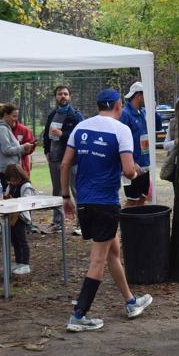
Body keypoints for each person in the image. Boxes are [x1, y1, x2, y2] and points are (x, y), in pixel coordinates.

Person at [62, 88, 152, 332]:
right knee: (98, 260)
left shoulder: (81, 127)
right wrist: (136, 170)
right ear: (117, 106)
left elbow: (65, 163)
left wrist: (65, 196)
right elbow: (128, 171)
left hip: (84, 202)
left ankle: (131, 302)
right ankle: (79, 315)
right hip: (105, 203)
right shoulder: (121, 130)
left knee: (113, 252)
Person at [43, 85, 85, 234]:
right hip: (54, 160)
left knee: (76, 191)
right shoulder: (52, 114)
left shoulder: (76, 115)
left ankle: (81, 224)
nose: (63, 96)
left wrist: (62, 134)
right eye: (60, 94)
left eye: (66, 94)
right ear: (56, 97)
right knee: (57, 191)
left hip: (72, 161)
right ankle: (57, 223)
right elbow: (46, 135)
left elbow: (81, 136)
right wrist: (46, 150)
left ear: (70, 97)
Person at [119, 81, 162, 207]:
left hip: (145, 163)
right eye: (147, 95)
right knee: (132, 199)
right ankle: (126, 224)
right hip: (133, 165)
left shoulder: (143, 112)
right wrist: (130, 162)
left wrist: (152, 110)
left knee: (143, 197)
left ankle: (137, 224)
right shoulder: (125, 114)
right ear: (139, 96)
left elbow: (157, 126)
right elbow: (121, 140)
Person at [3, 163, 36, 275]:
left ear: (20, 176)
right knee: (14, 241)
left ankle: (25, 264)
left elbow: (28, 201)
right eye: (10, 180)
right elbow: (7, 195)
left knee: (22, 240)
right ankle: (18, 262)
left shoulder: (26, 186)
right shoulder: (10, 186)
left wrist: (13, 200)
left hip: (21, 216)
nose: (13, 182)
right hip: (12, 217)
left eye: (15, 180)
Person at [0, 103, 34, 192]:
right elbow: (6, 150)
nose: (16, 119)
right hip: (4, 172)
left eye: (17, 116)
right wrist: (23, 147)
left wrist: (24, 149)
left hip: (9, 171)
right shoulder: (1, 129)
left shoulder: (6, 128)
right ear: (5, 115)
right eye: (14, 116)